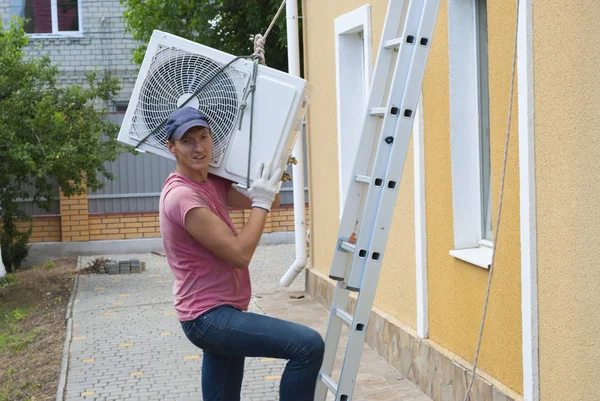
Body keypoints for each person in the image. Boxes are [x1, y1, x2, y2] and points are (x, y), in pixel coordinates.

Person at [159, 107, 325, 401]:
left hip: (224, 310)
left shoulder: (210, 181)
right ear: (170, 147)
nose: (199, 147)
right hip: (208, 318)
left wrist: (272, 175)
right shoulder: (183, 197)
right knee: (307, 346)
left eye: (203, 136)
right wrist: (261, 200)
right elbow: (239, 254)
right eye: (187, 141)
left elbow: (268, 204)